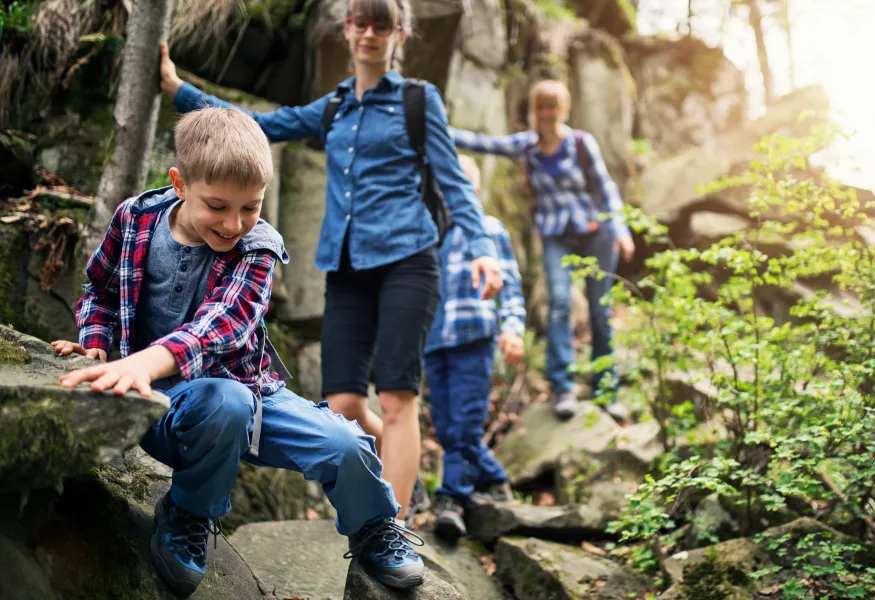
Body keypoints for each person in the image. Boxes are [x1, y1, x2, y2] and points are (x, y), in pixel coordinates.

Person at [52, 107, 426, 594]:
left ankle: (374, 525)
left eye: (251, 207)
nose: (234, 224)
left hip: (245, 394)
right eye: (218, 206)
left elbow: (222, 325)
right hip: (153, 402)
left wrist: (141, 360)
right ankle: (189, 510)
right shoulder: (136, 217)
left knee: (347, 443)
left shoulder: (259, 248)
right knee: (223, 404)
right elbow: (98, 291)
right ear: (180, 183)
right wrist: (99, 348)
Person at [158, 0, 503, 523]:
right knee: (342, 405)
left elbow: (453, 179)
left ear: (398, 35)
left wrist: (481, 248)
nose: (369, 33)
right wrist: (178, 90)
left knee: (395, 395)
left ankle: (393, 526)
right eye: (360, 22)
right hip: (346, 267)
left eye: (381, 25)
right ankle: (402, 471)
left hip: (409, 260)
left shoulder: (418, 100)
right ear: (347, 29)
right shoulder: (334, 107)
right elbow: (255, 126)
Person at [450, 79, 634, 423]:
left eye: (553, 107)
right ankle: (563, 386)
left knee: (599, 310)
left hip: (595, 232)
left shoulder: (581, 144)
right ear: (534, 112)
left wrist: (621, 230)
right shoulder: (527, 147)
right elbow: (484, 143)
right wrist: (434, 128)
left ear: (563, 110)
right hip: (556, 237)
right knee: (560, 304)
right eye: (541, 108)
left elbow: (606, 188)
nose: (547, 114)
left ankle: (606, 389)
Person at [424, 155, 524, 540]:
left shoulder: (489, 229)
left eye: (461, 186)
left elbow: (511, 286)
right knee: (449, 429)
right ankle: (494, 478)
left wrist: (513, 329)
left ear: (476, 191)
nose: (452, 195)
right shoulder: (431, 235)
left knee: (465, 423)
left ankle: (450, 500)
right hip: (434, 342)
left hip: (473, 338)